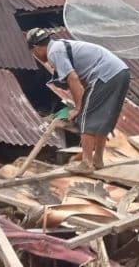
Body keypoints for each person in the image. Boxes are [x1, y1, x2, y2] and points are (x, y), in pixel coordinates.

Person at [26, 28, 131, 173]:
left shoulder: (54, 53)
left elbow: (73, 78)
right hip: (120, 72)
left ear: (36, 48)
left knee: (85, 118)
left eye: (34, 53)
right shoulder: (60, 46)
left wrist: (78, 108)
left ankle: (86, 163)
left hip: (105, 75)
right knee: (103, 119)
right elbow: (81, 79)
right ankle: (98, 160)